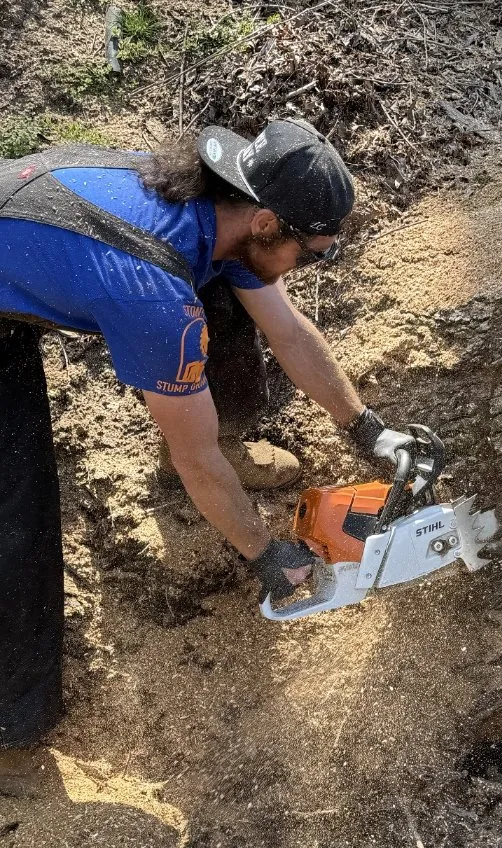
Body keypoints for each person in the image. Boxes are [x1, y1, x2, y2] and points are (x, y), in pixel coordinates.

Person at [0, 118, 428, 755]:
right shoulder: (156, 297)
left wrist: (366, 429)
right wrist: (263, 553)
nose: (310, 264)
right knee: (17, 508)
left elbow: (285, 327)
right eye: (312, 251)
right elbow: (193, 457)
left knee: (227, 295)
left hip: (30, 233)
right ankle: (16, 715)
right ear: (265, 223)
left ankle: (231, 435)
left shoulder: (217, 212)